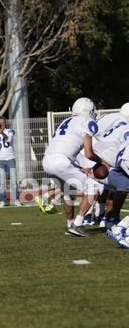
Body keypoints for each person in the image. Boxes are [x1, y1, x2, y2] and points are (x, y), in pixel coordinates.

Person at [41, 97, 104, 237]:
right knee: (94, 187)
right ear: (89, 111)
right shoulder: (86, 121)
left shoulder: (65, 121)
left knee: (68, 191)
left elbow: (65, 146)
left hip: (47, 160)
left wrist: (78, 167)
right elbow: (88, 153)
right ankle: (78, 224)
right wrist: (103, 162)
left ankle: (70, 225)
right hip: (61, 161)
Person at [0, 117, 21, 207]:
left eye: (3, 122)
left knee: (13, 180)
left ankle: (16, 200)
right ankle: (2, 200)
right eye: (0, 123)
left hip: (10, 158)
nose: (2, 124)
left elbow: (8, 139)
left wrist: (2, 133)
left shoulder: (10, 131)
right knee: (2, 181)